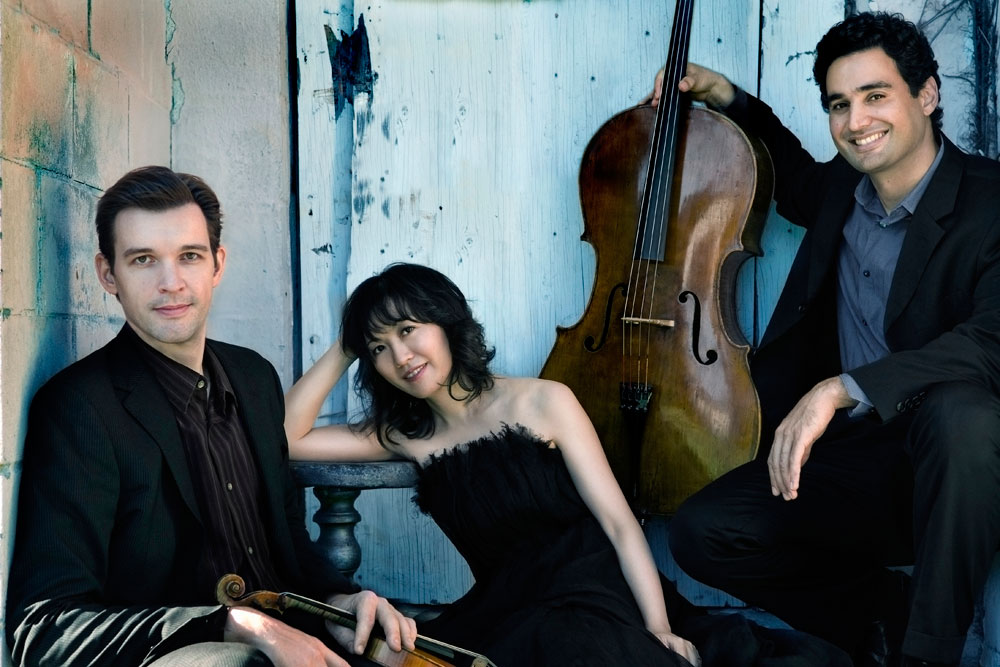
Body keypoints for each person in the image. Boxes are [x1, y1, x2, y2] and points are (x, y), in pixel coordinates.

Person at [648, 12, 1000, 667]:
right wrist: (729, 98)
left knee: (964, 412)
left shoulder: (991, 202)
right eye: (840, 104)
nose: (856, 120)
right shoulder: (843, 187)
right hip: (856, 463)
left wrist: (841, 388)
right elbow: (792, 177)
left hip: (957, 469)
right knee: (703, 531)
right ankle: (881, 616)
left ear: (927, 94)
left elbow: (991, 342)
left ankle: (927, 658)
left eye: (875, 96)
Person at [284, 262, 853, 667]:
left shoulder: (543, 401)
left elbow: (619, 524)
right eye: (379, 348)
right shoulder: (407, 435)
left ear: (445, 321)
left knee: (576, 646)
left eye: (408, 331)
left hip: (600, 590)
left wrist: (657, 628)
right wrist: (347, 342)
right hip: (510, 607)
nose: (401, 356)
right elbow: (289, 437)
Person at [5, 166, 416, 667]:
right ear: (108, 274)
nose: (171, 283)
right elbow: (43, 629)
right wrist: (229, 623)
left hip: (300, 643)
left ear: (217, 264)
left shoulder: (254, 378)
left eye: (190, 256)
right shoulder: (79, 408)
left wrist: (340, 601)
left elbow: (289, 543)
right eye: (143, 260)